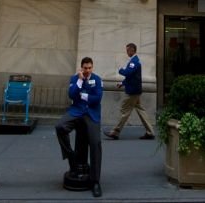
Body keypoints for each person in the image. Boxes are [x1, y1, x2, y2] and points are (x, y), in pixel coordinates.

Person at [55, 56, 104, 198]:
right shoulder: (75, 79)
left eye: (90, 68)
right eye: (85, 68)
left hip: (92, 114)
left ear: (92, 67)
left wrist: (83, 95)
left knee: (96, 143)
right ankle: (70, 156)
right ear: (81, 68)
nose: (87, 70)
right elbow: (71, 94)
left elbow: (97, 99)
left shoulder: (98, 79)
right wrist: (80, 80)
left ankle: (95, 182)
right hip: (76, 112)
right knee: (60, 126)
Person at [104, 43, 154, 140]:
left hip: (133, 92)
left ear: (132, 50)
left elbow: (127, 73)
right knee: (141, 110)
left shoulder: (134, 62)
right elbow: (131, 77)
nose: (126, 52)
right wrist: (122, 83)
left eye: (127, 50)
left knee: (124, 109)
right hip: (135, 90)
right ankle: (150, 132)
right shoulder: (134, 61)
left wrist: (120, 70)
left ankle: (115, 131)